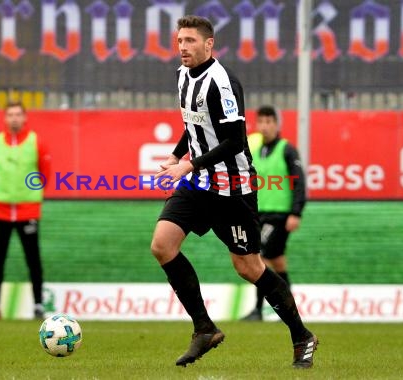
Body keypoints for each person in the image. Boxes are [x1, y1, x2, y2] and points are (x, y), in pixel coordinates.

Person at [150, 15, 318, 369]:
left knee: (249, 267)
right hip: (199, 182)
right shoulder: (182, 76)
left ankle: (302, 336)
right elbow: (193, 124)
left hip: (233, 188)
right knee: (162, 245)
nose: (183, 47)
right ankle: (204, 328)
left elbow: (234, 140)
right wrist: (176, 155)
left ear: (209, 44)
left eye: (191, 41)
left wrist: (189, 165)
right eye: (180, 40)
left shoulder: (223, 83)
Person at [0, 101, 51, 320]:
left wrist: (29, 194)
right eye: (10, 114)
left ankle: (38, 306)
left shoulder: (35, 141)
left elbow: (45, 173)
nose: (14, 118)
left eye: (18, 114)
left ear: (25, 117)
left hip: (27, 210)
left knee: (33, 259)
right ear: (4, 118)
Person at [242, 106, 306, 321]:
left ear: (277, 124)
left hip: (280, 215)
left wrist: (295, 212)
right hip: (258, 213)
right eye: (261, 121)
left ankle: (258, 310)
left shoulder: (287, 149)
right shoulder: (254, 147)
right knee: (278, 262)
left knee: (260, 257)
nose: (265, 126)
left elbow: (299, 182)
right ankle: (289, 310)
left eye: (269, 121)